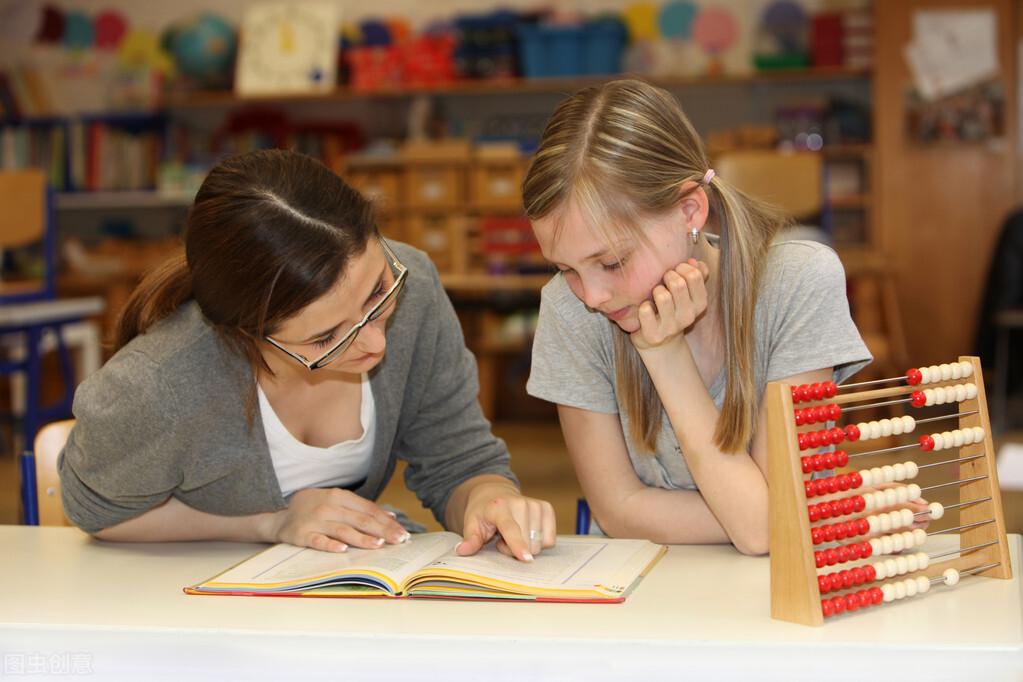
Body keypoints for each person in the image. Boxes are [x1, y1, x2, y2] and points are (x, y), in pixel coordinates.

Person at [59, 149, 555, 562]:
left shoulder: (416, 284)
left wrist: (491, 499)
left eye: (378, 292)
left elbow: (458, 458)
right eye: (324, 339)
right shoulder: (160, 383)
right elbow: (97, 511)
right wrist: (272, 523)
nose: (375, 343)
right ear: (245, 333)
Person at [522, 79, 876, 555]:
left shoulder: (798, 284)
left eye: (612, 262)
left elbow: (764, 530)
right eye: (566, 268)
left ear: (689, 210)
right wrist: (784, 514)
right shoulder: (569, 309)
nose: (593, 295)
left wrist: (665, 356)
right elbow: (618, 509)